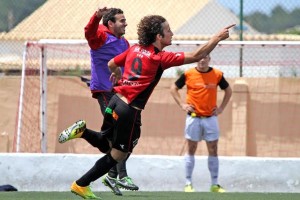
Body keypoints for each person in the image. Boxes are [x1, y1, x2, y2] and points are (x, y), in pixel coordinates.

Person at [59, 14, 235, 199]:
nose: (172, 33)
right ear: (158, 36)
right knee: (119, 154)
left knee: (107, 145)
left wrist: (117, 73)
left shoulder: (135, 48)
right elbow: (197, 55)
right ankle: (81, 184)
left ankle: (83, 132)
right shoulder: (159, 57)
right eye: (168, 31)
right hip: (129, 111)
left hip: (114, 101)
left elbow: (111, 63)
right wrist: (217, 37)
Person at [58, 7, 138, 198]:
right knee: (121, 137)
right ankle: (118, 176)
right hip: (104, 92)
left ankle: (84, 133)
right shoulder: (101, 36)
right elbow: (89, 33)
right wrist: (96, 17)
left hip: (120, 93)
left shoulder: (124, 42)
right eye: (121, 20)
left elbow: (127, 66)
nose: (126, 23)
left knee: (114, 142)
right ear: (110, 23)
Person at [170, 54, 232, 193]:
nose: (202, 60)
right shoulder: (188, 74)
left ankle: (215, 184)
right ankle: (188, 183)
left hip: (210, 118)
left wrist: (221, 108)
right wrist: (182, 104)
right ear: (196, 59)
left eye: (205, 58)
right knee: (191, 149)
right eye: (200, 58)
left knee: (213, 149)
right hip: (193, 118)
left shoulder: (217, 74)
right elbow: (173, 88)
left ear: (209, 59)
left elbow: (228, 90)